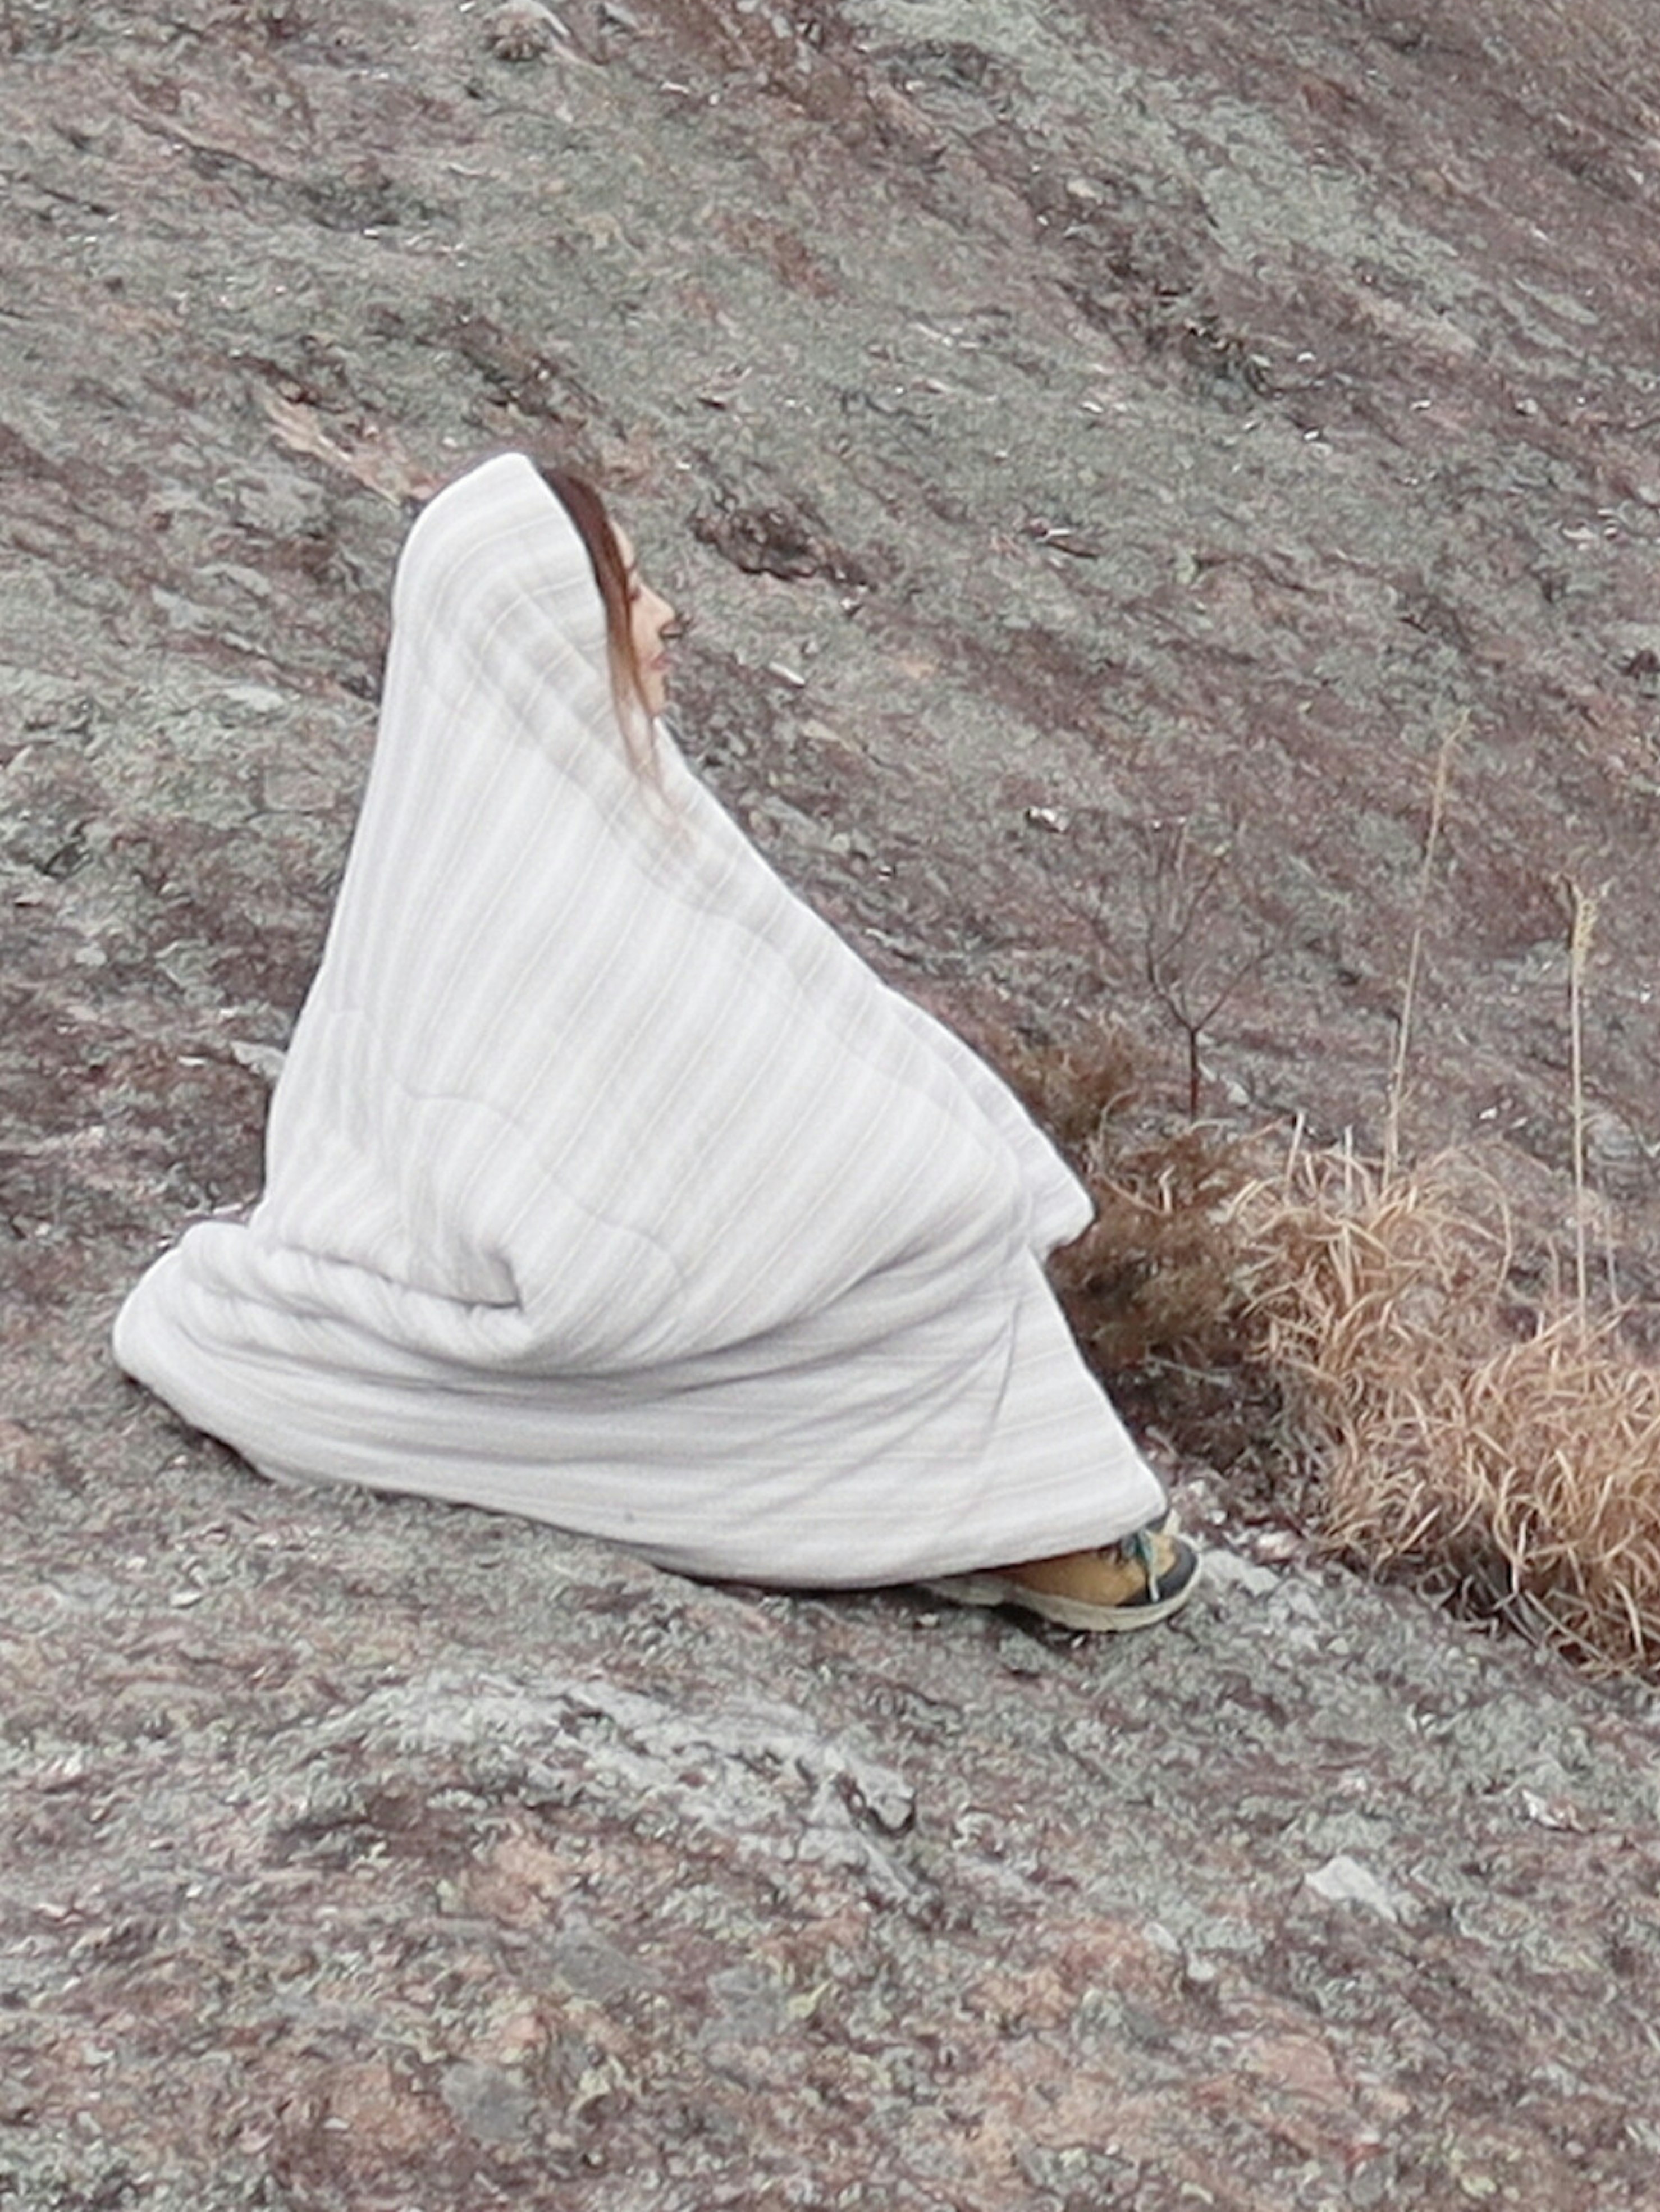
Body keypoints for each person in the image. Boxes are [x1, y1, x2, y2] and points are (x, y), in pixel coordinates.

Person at [113, 451, 1200, 1637]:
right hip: (550, 1274)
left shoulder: (536, 803)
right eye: (625, 590)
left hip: (587, 1220)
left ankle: (982, 1495)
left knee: (937, 1184)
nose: (664, 613)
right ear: (549, 629)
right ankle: (984, 1520)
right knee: (945, 1215)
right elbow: (634, 1116)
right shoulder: (533, 863)